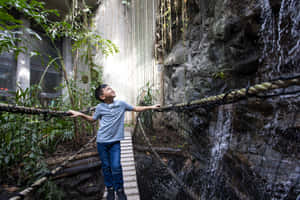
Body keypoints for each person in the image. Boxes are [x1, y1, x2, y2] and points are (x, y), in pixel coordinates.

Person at [68, 84, 160, 200]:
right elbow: (93, 120)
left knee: (116, 166)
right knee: (106, 166)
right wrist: (80, 114)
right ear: (102, 96)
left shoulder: (121, 104)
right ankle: (110, 189)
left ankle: (120, 190)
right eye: (108, 89)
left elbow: (135, 108)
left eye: (111, 88)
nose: (112, 89)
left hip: (115, 142)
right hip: (102, 142)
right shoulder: (100, 107)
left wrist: (151, 107)